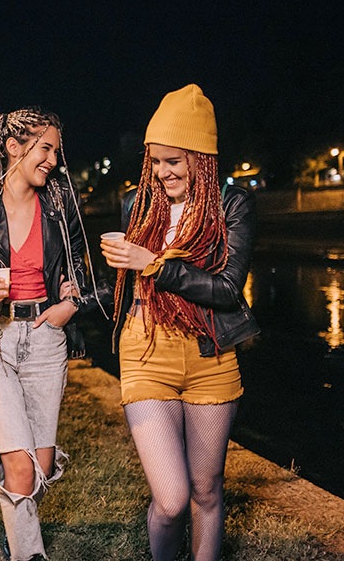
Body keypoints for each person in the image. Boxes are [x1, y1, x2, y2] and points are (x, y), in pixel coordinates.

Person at [100, 84, 260, 561]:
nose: (163, 172)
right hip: (147, 350)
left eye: (175, 160)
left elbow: (229, 291)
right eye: (155, 160)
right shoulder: (137, 205)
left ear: (201, 158)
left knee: (207, 489)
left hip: (210, 353)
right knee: (170, 500)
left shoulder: (232, 205)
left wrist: (154, 264)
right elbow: (122, 283)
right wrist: (79, 297)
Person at [0, 107, 107, 561]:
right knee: (21, 468)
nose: (53, 161)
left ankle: (15, 521)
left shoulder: (61, 205)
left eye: (55, 152)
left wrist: (71, 304)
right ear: (14, 147)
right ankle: (28, 553)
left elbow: (88, 275)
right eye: (45, 149)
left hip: (45, 339)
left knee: (40, 466)